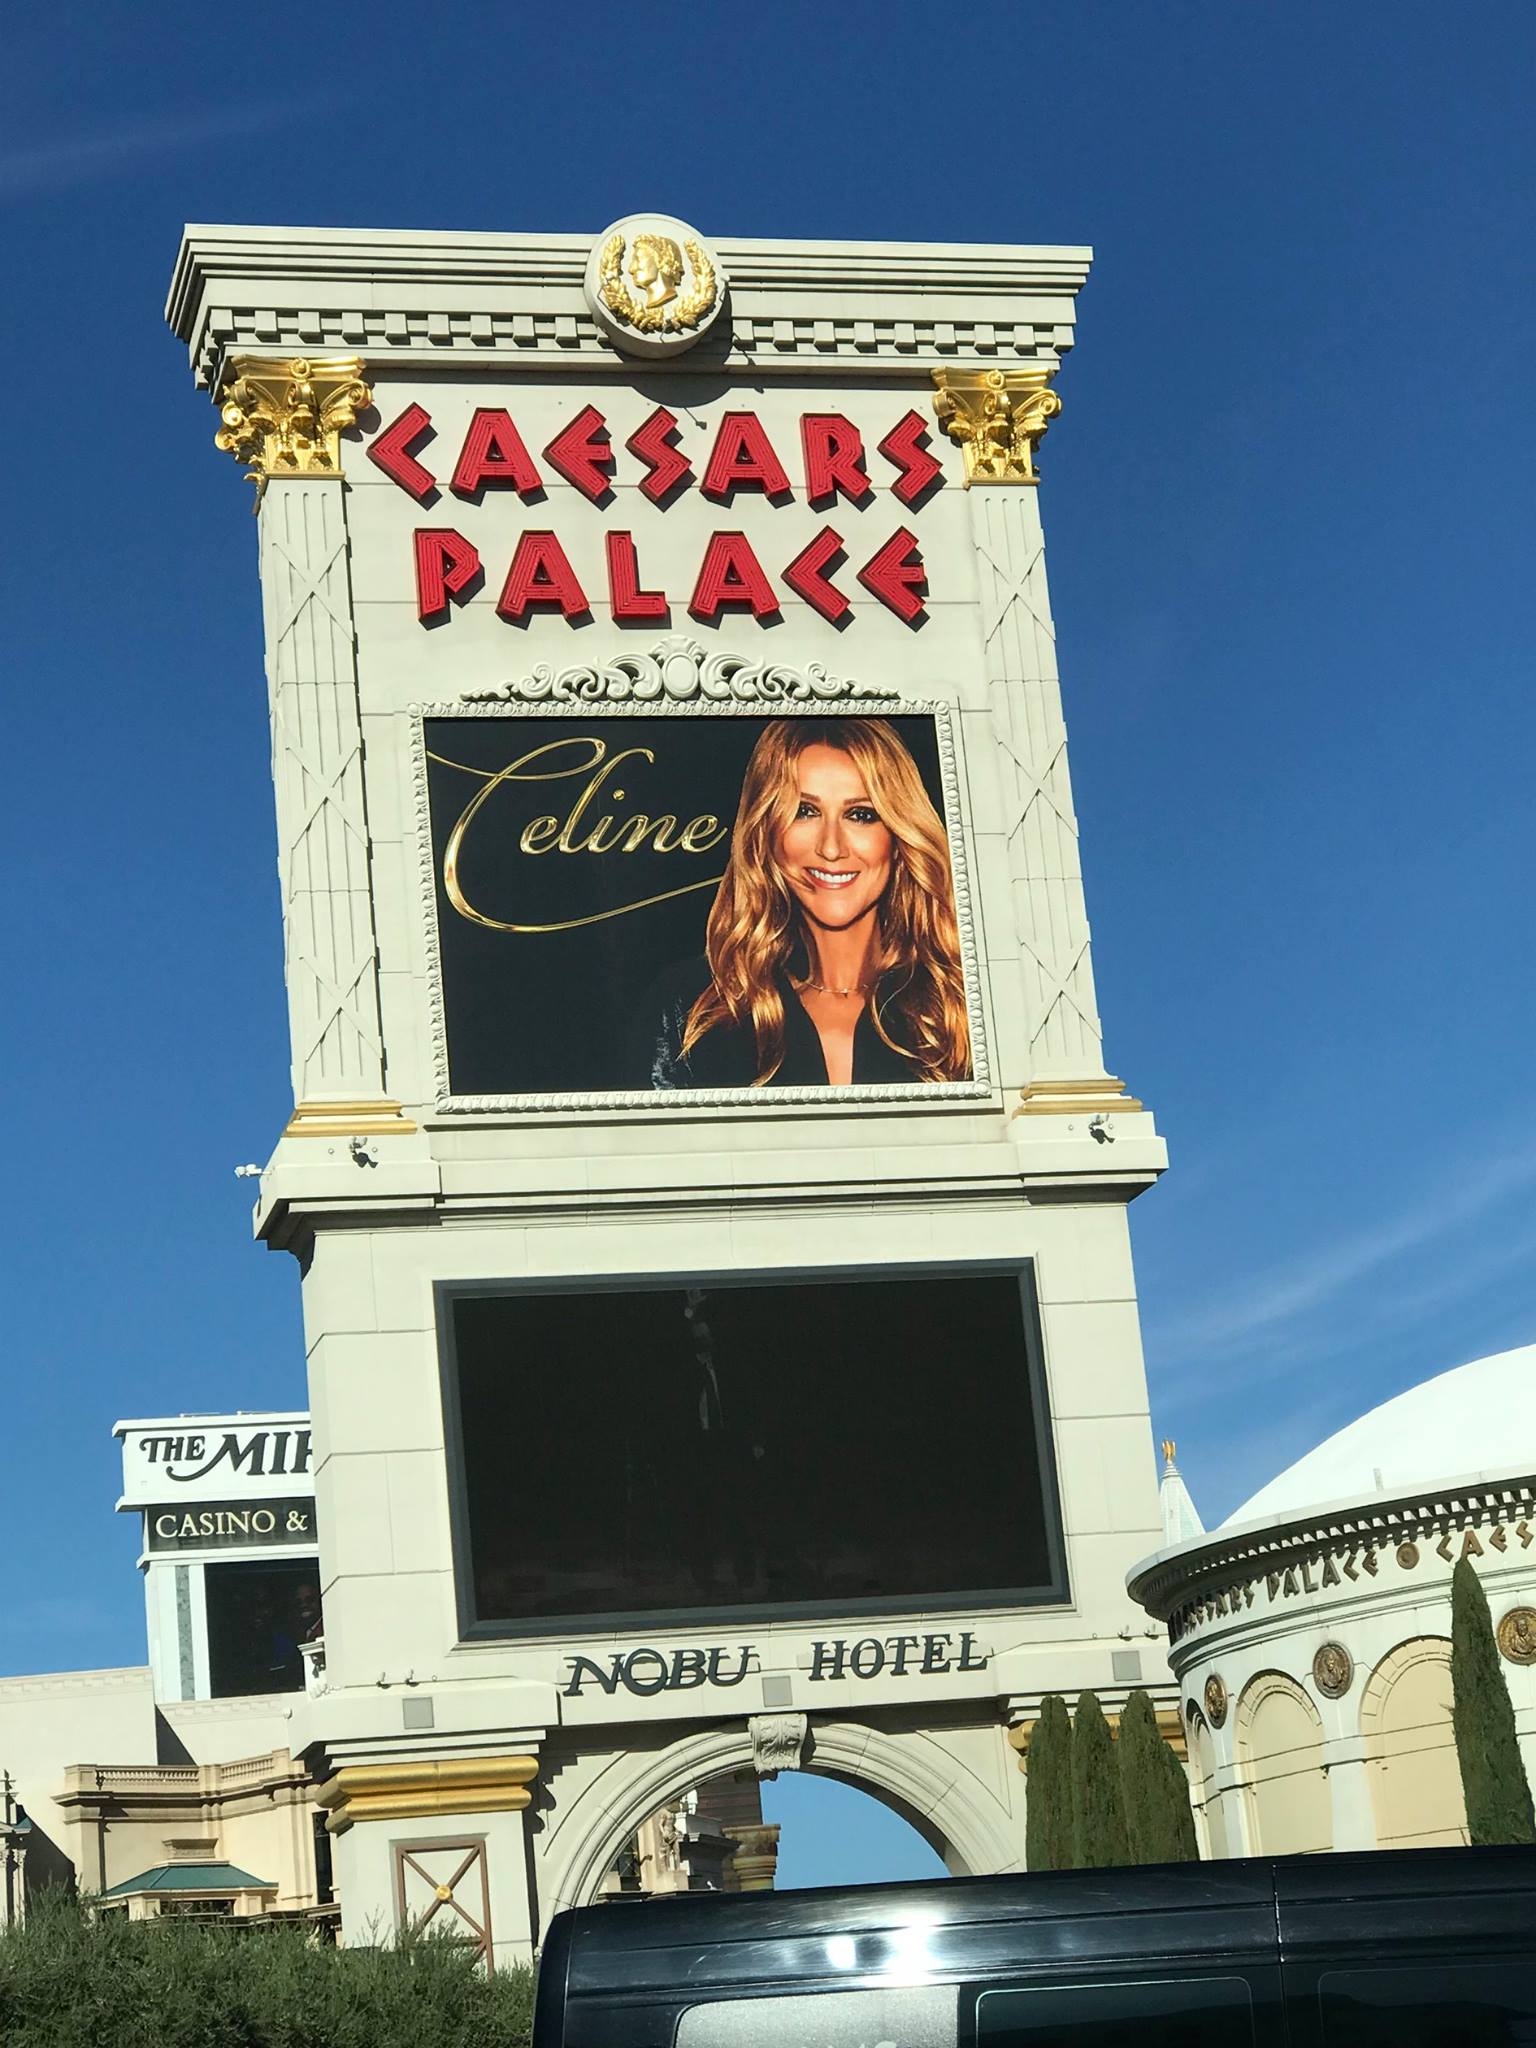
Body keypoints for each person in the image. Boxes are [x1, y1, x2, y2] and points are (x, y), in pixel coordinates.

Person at [645, 717, 970, 1089]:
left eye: (861, 815)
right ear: (765, 835)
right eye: (805, 811)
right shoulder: (693, 1010)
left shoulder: (966, 1000)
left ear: (898, 839)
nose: (831, 847)